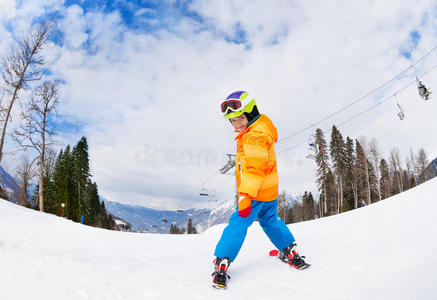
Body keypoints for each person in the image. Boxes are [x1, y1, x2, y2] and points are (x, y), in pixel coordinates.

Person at [211, 91, 309, 289]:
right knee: (270, 220)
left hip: (254, 194)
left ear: (251, 113)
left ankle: (222, 260)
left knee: (238, 224)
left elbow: (254, 170)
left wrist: (245, 196)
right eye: (232, 121)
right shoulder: (262, 130)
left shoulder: (253, 137)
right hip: (269, 192)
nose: (237, 125)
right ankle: (289, 249)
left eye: (240, 118)